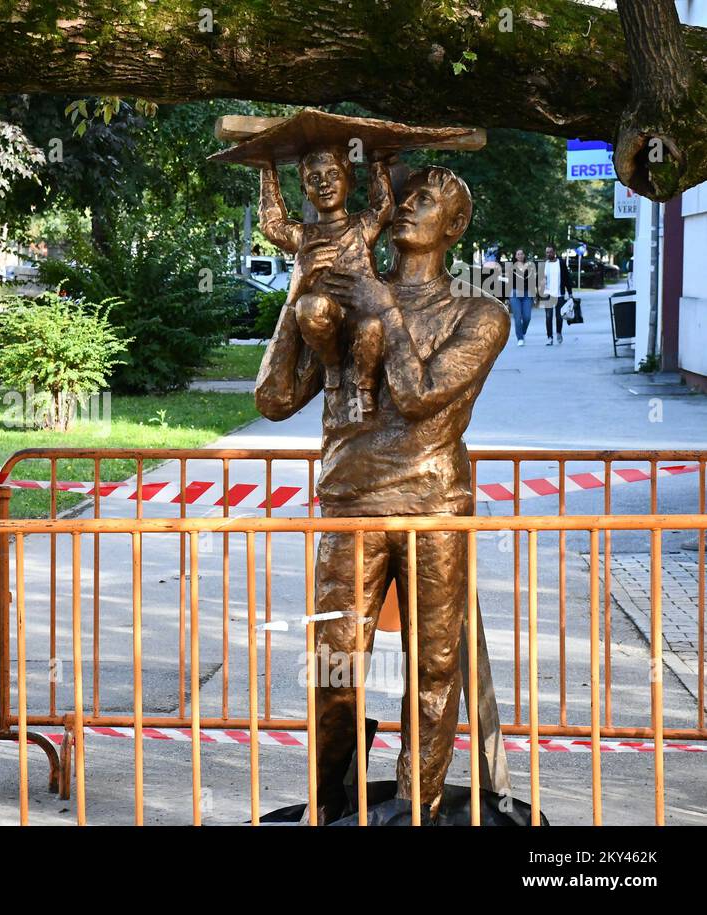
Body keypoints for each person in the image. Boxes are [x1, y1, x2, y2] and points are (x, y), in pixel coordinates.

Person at [255, 166, 510, 822]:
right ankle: (329, 807)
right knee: (332, 674)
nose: (411, 204)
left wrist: (379, 300)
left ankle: (416, 810)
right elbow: (274, 398)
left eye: (430, 199)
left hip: (434, 510)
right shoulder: (345, 301)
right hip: (350, 505)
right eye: (410, 192)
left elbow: (418, 393)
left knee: (432, 674)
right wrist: (298, 292)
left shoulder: (479, 315)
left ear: (452, 227)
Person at [259, 145, 394, 413]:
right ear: (304, 191)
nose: (325, 184)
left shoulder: (362, 227)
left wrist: (377, 160)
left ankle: (365, 387)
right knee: (309, 306)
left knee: (371, 326)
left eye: (333, 174)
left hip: (360, 313)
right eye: (314, 179)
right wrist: (267, 169)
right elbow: (272, 225)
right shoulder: (304, 235)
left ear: (349, 181)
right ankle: (331, 365)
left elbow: (384, 206)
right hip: (325, 321)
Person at [538, 244, 574, 346]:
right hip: (547, 294)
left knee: (559, 316)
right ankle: (549, 337)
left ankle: (559, 333)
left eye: (550, 252)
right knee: (548, 317)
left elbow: (567, 278)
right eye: (547, 252)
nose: (548, 254)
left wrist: (570, 293)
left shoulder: (561, 263)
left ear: (554, 252)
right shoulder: (544, 264)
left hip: (559, 294)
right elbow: (540, 279)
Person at [507, 248, 535, 346]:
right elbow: (509, 283)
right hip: (515, 295)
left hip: (527, 294)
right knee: (517, 318)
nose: (520, 256)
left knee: (527, 317)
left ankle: (522, 332)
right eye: (518, 254)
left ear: (524, 255)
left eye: (521, 254)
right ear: (515, 256)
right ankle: (520, 338)